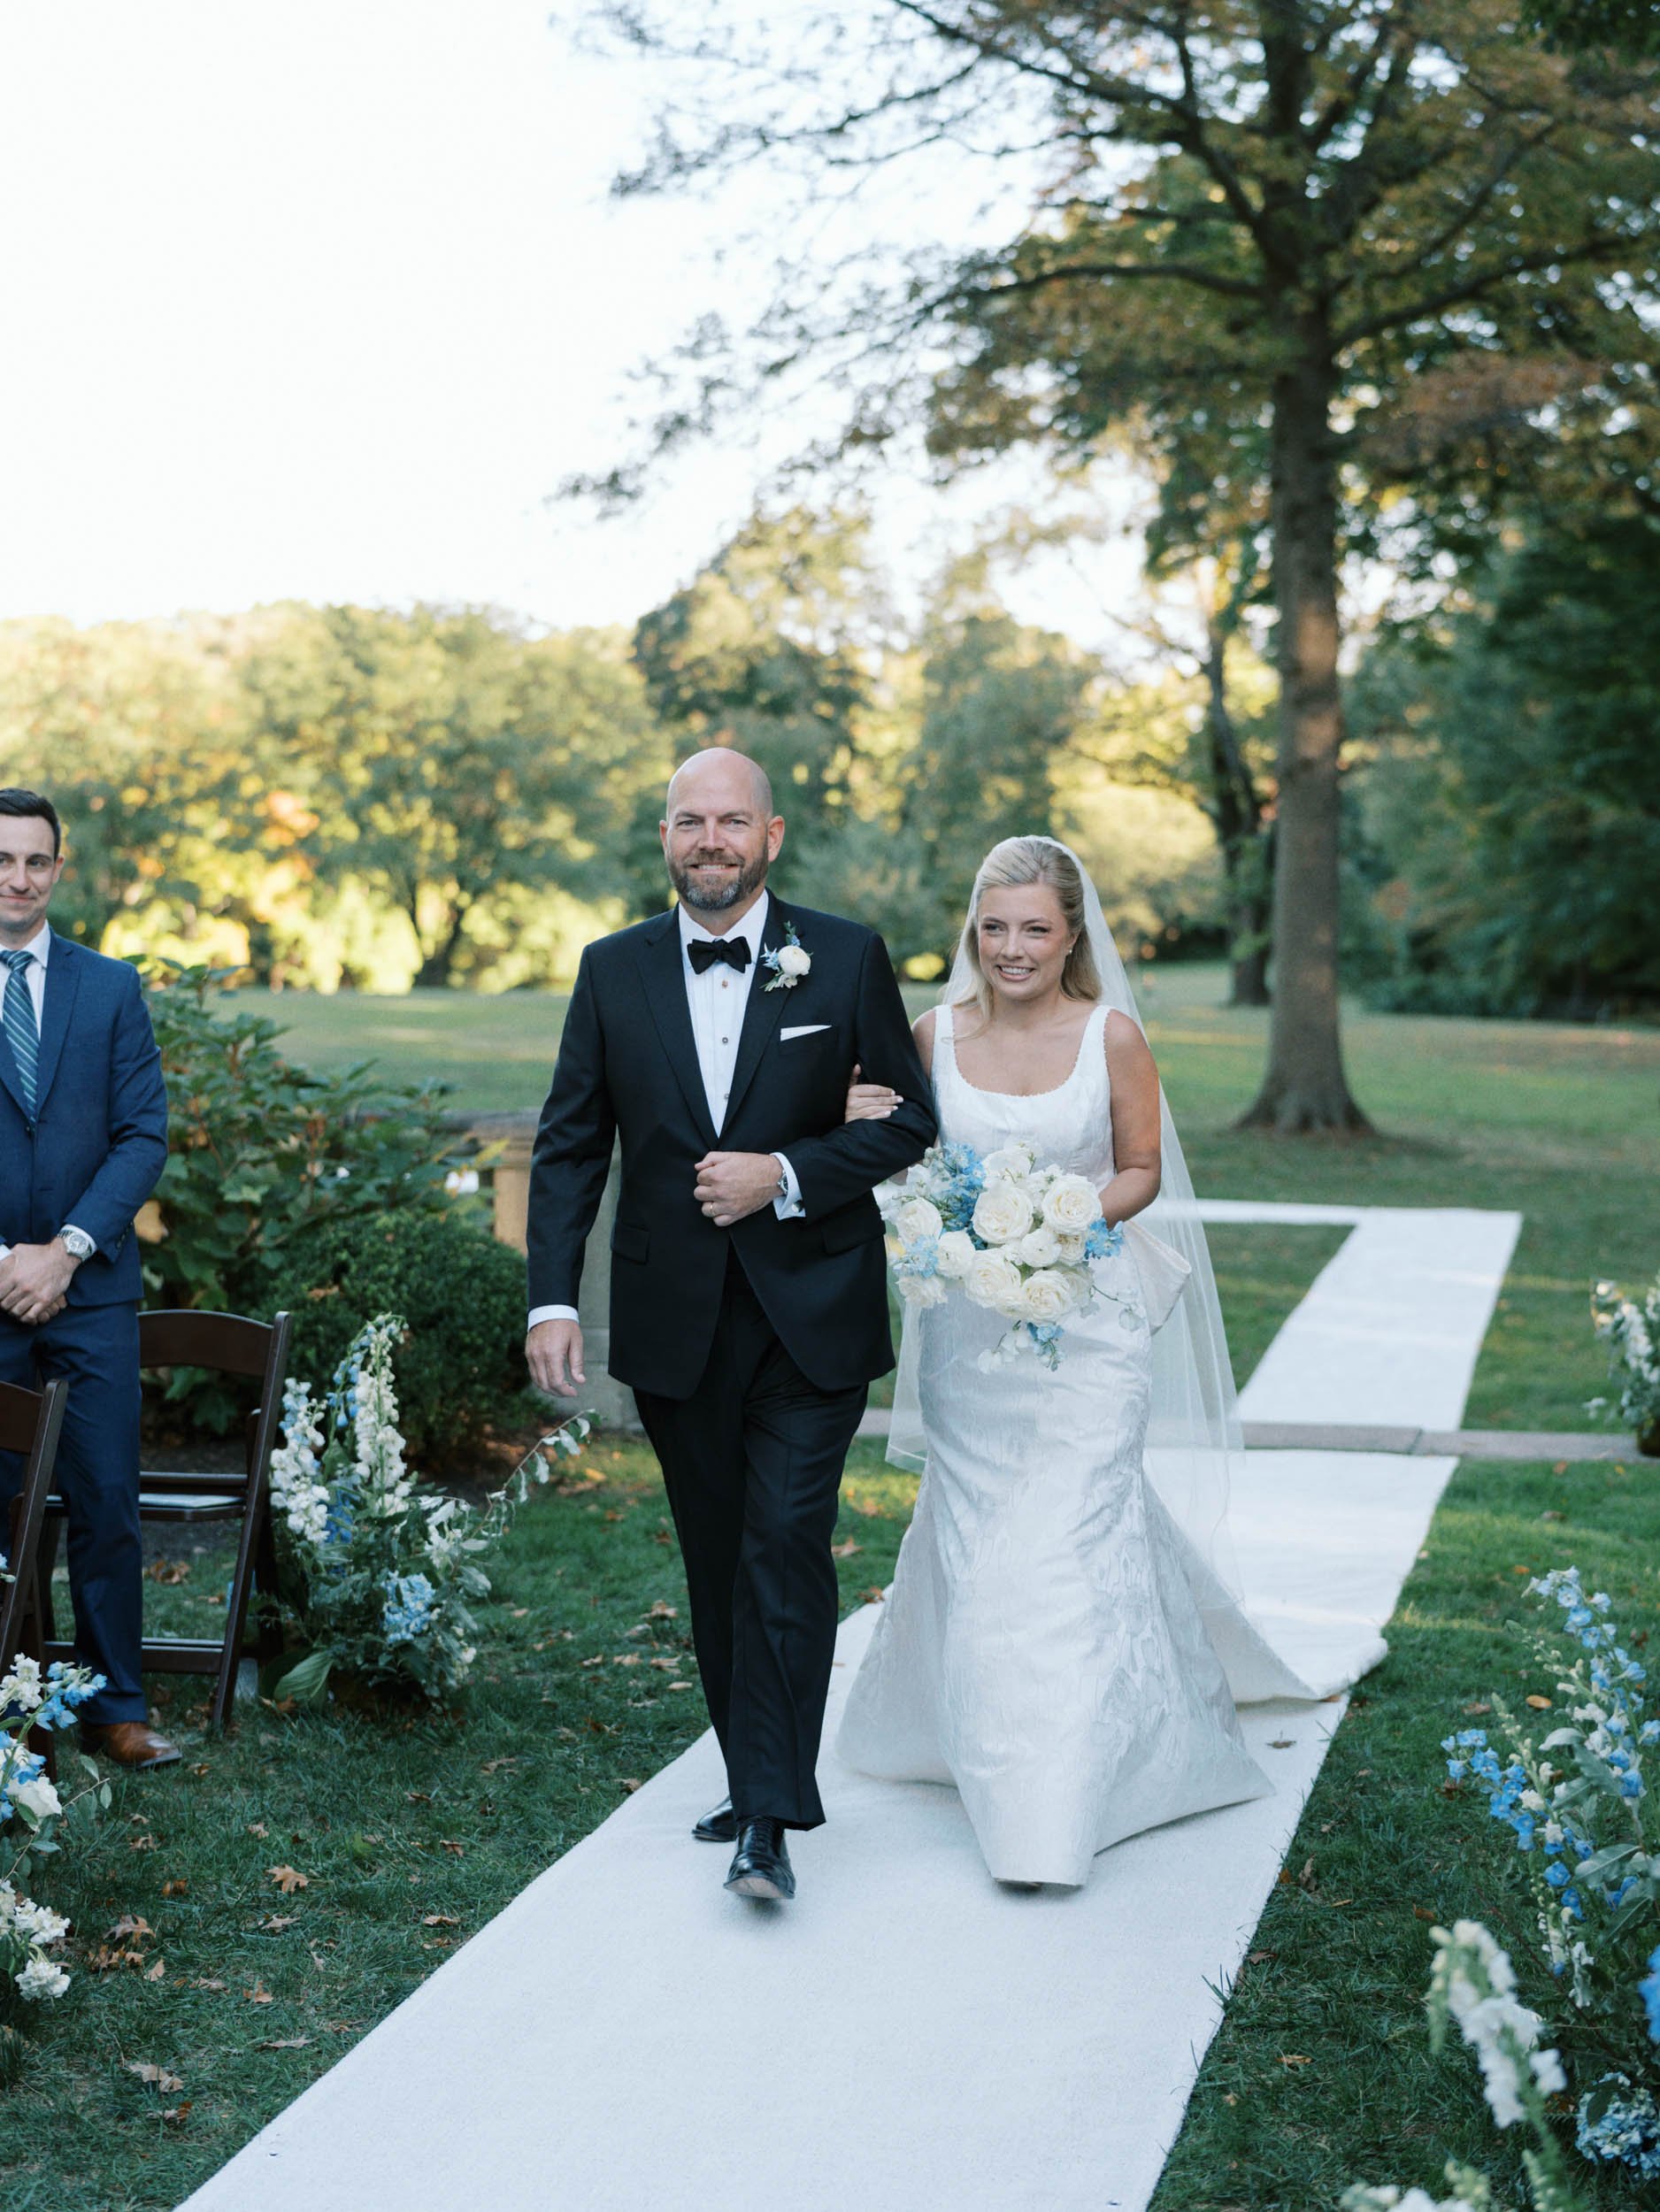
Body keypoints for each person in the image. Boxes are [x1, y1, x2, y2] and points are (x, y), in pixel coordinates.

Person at [834, 834, 1346, 1889]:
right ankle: (984, 1739)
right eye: (994, 927)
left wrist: (1051, 1231)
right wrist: (920, 1186)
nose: (1013, 948)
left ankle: (1050, 1807)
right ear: (971, 931)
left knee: (1064, 1538)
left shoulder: (1109, 1035)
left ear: (1071, 933)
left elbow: (1140, 1168)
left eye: (1034, 928)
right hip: (972, 1340)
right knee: (982, 1540)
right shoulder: (930, 1033)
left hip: (1090, 1326)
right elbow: (892, 1151)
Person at [524, 749, 934, 1903]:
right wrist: (554, 1298)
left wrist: (787, 1174)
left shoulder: (845, 957)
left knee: (786, 1550)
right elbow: (568, 1144)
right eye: (690, 821)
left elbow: (909, 1120)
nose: (712, 840)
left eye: (733, 821)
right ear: (664, 836)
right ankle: (753, 1764)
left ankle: (769, 1813)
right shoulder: (611, 972)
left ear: (773, 834)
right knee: (717, 1565)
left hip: (814, 1318)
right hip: (675, 1328)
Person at [0, 788, 174, 1768]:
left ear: (58, 869)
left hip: (91, 1290)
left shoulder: (109, 987)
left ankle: (116, 1705)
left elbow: (142, 1135)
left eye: (35, 860)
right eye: (1, 859)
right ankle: (9, 1698)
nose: (18, 878)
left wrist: (64, 1250)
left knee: (107, 1501)